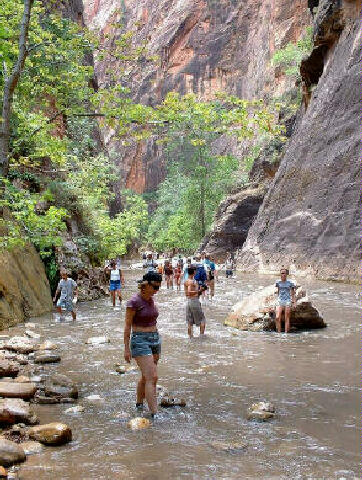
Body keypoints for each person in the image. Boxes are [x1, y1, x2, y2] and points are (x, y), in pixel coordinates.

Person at [124, 272, 162, 417]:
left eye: (159, 287)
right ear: (145, 285)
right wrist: (126, 349)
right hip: (140, 340)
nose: (157, 291)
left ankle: (139, 403)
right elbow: (127, 326)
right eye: (155, 287)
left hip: (154, 339)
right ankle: (155, 414)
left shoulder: (151, 299)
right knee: (153, 377)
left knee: (146, 377)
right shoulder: (133, 302)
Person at [184, 266, 206, 338]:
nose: (196, 272)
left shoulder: (186, 281)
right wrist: (200, 290)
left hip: (188, 302)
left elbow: (188, 293)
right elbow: (190, 292)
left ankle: (190, 337)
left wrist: (200, 291)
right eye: (195, 271)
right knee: (202, 320)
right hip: (194, 301)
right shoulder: (192, 281)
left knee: (190, 322)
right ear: (193, 272)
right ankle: (201, 337)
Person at [275, 268, 296, 333]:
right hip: (280, 300)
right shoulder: (278, 282)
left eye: (284, 273)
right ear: (280, 274)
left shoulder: (290, 283)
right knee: (277, 317)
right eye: (282, 273)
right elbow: (278, 290)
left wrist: (294, 301)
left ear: (286, 274)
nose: (283, 274)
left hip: (287, 300)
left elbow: (292, 293)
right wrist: (276, 299)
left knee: (287, 318)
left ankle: (286, 334)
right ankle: (279, 333)